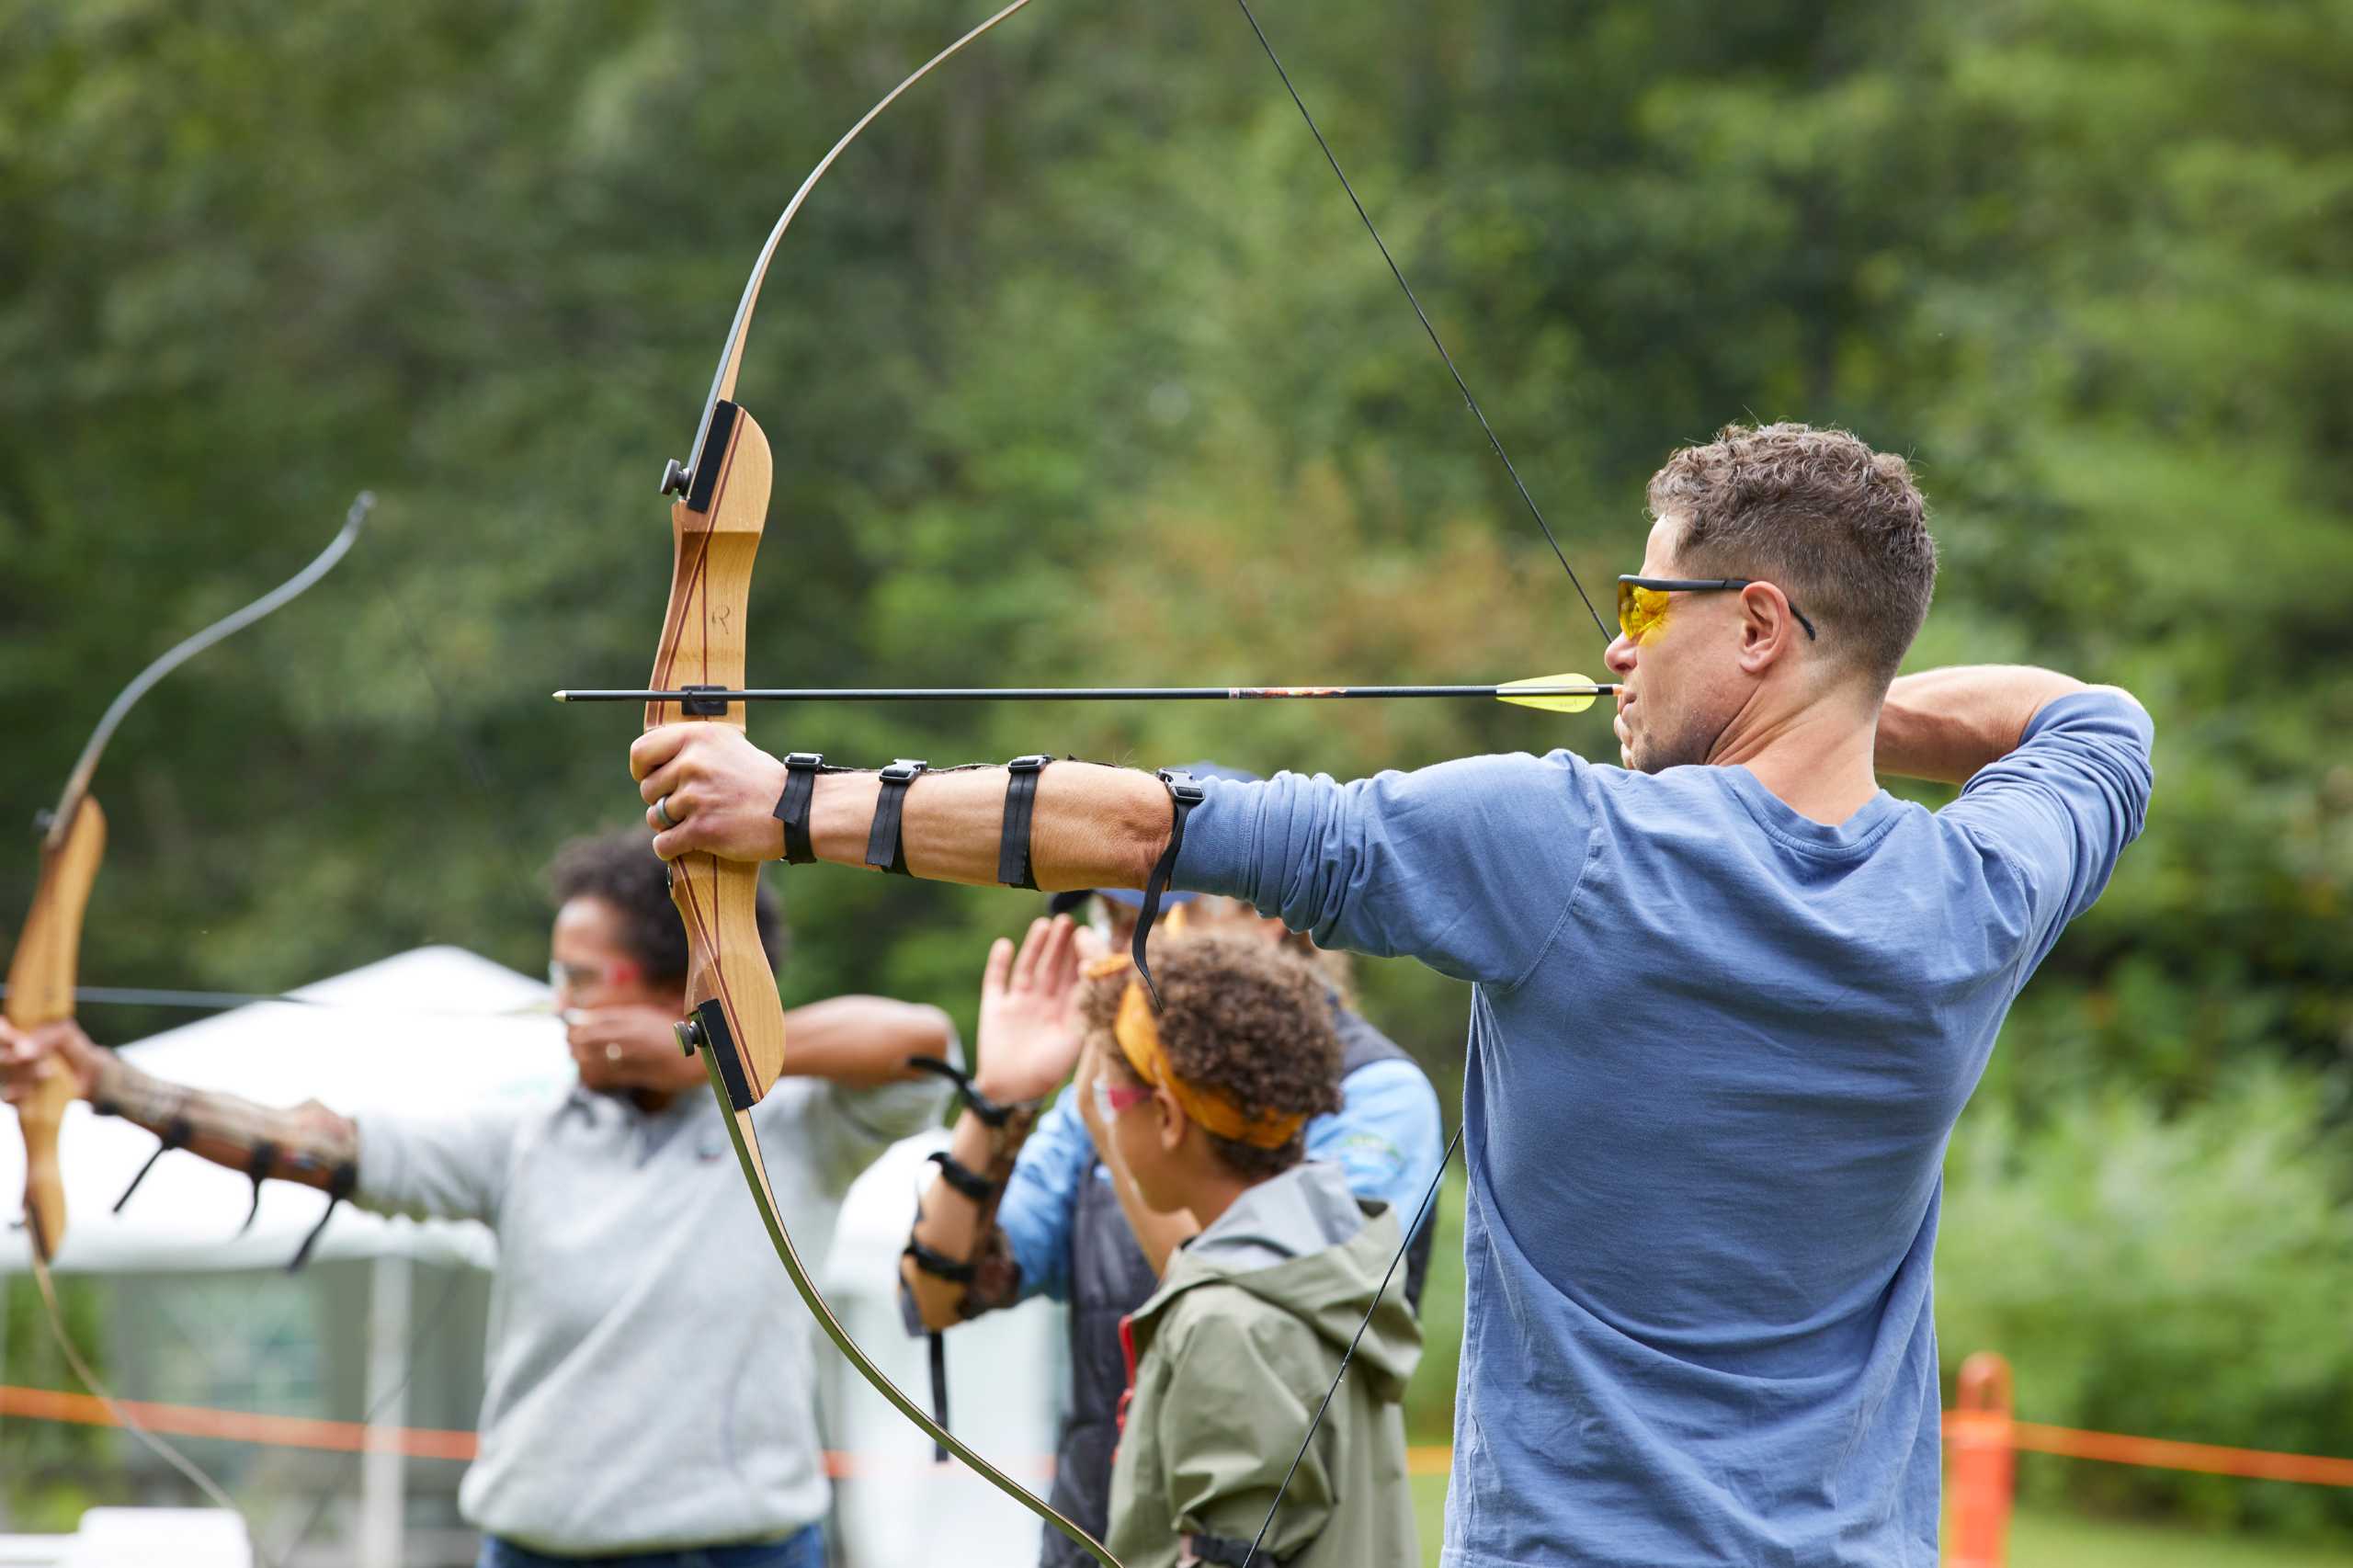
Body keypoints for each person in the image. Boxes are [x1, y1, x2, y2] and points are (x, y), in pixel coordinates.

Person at [629, 420, 2156, 1565]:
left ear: (1757, 626)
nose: (1614, 654)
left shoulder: (1570, 847)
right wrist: (1847, 716)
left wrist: (788, 805)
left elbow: (1158, 828)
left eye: (1643, 613)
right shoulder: (1981, 894)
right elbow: (2093, 721)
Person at [1, 831, 956, 1568]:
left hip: (740, 1548)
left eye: (581, 979)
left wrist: (698, 1046)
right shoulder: (528, 1134)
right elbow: (319, 1146)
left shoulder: (789, 1125)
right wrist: (104, 1080)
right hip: (537, 1547)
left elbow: (922, 1039)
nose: (561, 1003)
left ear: (677, 983)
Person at [898, 886, 1442, 1567]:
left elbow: (1276, 1314)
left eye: (1156, 916)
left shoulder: (1377, 1089)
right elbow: (936, 1294)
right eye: (1115, 920)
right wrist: (1001, 1096)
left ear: (1269, 914)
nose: (1129, 946)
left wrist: (1114, 1116)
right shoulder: (1119, 1073)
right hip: (1098, 1524)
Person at [1082, 928, 1418, 1568]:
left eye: (1109, 1099)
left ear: (1168, 1118)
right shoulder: (1329, 1250)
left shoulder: (1228, 1323)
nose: (1103, 1118)